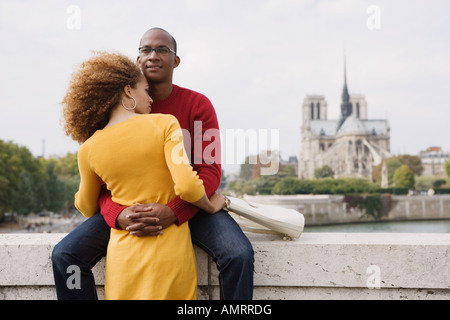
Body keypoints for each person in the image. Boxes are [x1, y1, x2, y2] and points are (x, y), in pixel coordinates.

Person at [52, 28, 254, 300]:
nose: (153, 56)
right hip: (131, 210)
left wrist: (174, 211)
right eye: (145, 50)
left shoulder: (199, 105)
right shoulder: (110, 114)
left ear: (176, 61)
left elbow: (210, 171)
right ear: (137, 60)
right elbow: (99, 183)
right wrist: (118, 215)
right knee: (66, 255)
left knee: (238, 254)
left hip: (192, 205)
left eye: (162, 50)